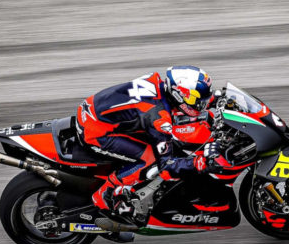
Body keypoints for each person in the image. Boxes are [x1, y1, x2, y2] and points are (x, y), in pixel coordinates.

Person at [76, 65, 218, 220]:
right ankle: (105, 195)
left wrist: (217, 100)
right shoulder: (158, 118)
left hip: (92, 109)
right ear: (178, 94)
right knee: (150, 159)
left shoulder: (158, 83)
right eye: (197, 98)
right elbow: (167, 165)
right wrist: (199, 162)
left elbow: (175, 109)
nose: (201, 103)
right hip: (95, 130)